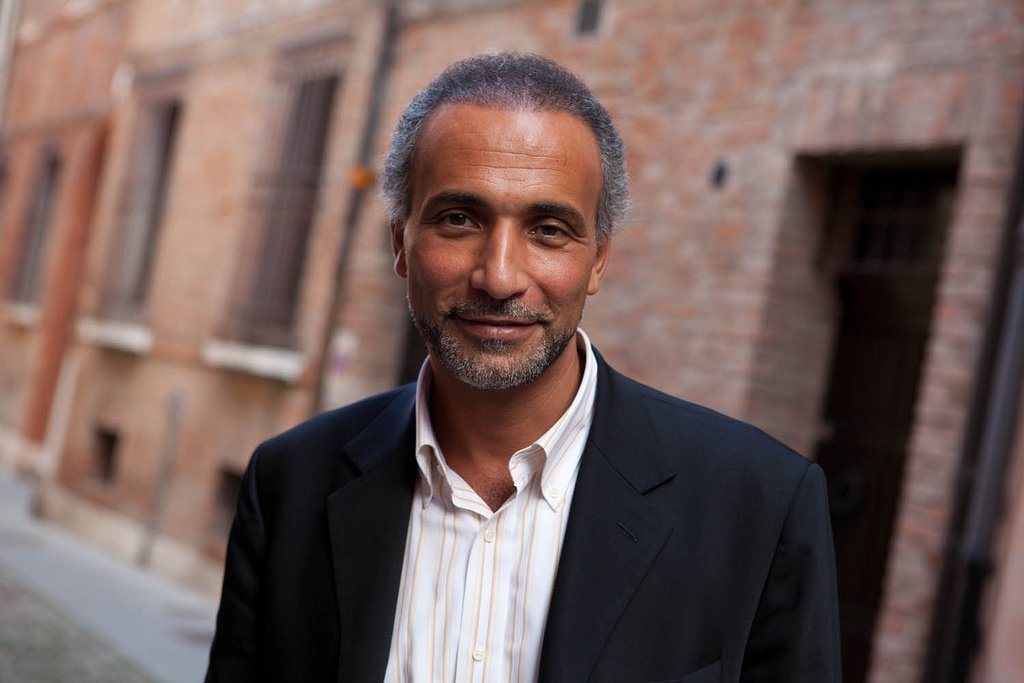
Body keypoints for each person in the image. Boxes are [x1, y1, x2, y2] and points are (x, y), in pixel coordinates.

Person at [205, 52, 840, 683]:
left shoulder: (760, 506)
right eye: (459, 220)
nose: (500, 277)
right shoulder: (290, 482)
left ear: (598, 260)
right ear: (400, 241)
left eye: (549, 229)